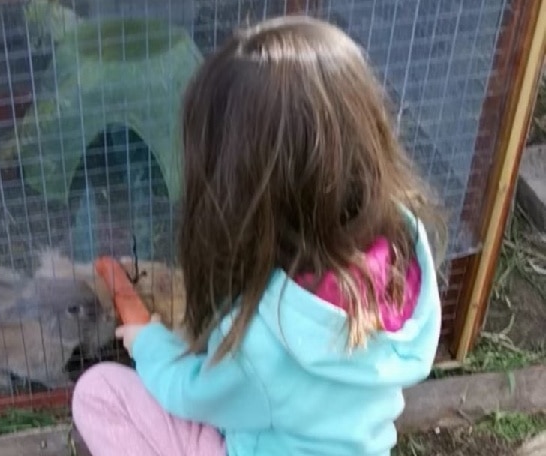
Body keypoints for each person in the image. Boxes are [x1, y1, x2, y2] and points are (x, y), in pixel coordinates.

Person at [71, 14, 447, 456]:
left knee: (98, 393)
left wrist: (147, 341)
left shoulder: (268, 338)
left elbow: (189, 393)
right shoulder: (404, 241)